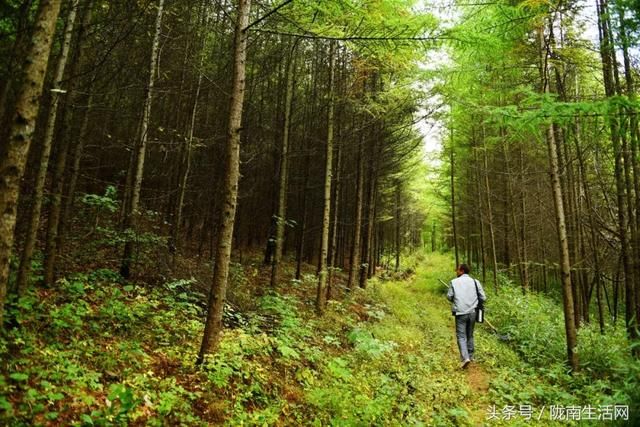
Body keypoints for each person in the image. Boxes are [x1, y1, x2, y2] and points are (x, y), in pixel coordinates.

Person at [447, 264, 487, 369]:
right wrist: (476, 303)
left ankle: (465, 358)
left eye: (457, 270)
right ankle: (471, 355)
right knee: (470, 334)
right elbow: (483, 297)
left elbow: (449, 296)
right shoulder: (475, 282)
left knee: (461, 336)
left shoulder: (454, 282)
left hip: (460, 313)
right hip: (473, 312)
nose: (456, 271)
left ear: (462, 271)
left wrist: (456, 300)